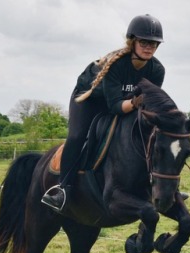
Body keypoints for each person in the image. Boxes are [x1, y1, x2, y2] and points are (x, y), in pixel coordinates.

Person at [42, 14, 165, 211]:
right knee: (77, 135)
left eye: (154, 43)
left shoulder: (157, 70)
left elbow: (146, 107)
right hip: (88, 100)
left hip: (122, 102)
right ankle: (63, 189)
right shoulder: (117, 64)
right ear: (132, 41)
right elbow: (115, 106)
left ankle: (157, 188)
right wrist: (136, 102)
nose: (149, 47)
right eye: (144, 42)